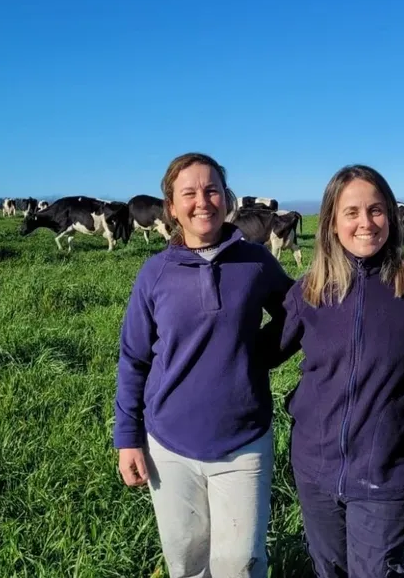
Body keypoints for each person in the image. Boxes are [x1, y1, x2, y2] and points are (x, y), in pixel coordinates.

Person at [113, 152, 294, 578]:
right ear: (172, 208)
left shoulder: (256, 262)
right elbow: (134, 359)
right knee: (186, 562)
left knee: (240, 564)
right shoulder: (154, 273)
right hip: (168, 444)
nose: (202, 201)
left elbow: (297, 316)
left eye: (212, 190)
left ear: (226, 198)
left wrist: (258, 357)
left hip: (244, 440)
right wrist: (127, 438)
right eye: (189, 193)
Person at [274, 164, 404, 578]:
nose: (365, 223)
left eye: (376, 210)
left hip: (388, 472)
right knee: (328, 570)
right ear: (332, 224)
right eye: (351, 212)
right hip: (315, 469)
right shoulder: (309, 292)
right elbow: (256, 355)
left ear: (391, 216)